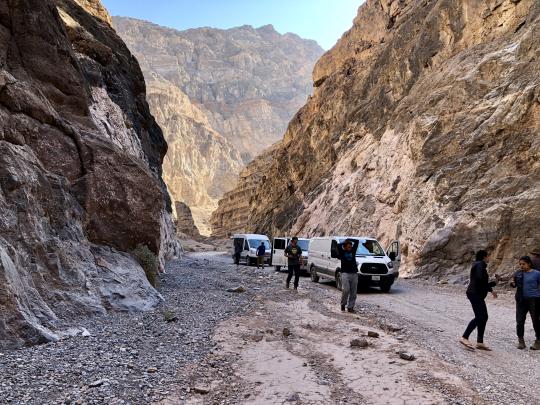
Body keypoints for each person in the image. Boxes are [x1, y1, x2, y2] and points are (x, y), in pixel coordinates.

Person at [460, 250, 498, 351]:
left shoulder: (478, 264)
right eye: (488, 256)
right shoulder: (480, 264)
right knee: (480, 316)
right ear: (484, 257)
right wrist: (491, 285)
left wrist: (491, 288)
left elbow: (481, 281)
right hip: (475, 293)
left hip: (476, 293)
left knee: (483, 317)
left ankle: (480, 342)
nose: (489, 258)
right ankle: (464, 337)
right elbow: (481, 279)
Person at [510, 256, 540, 350]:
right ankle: (521, 341)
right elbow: (513, 284)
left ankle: (538, 341)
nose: (521, 266)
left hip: (534, 300)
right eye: (520, 264)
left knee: (536, 321)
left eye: (523, 264)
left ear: (529, 263)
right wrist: (512, 283)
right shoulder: (518, 273)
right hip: (521, 300)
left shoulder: (537, 273)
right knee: (519, 321)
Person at [337, 238, 360, 313]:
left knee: (353, 292)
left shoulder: (353, 251)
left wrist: (349, 239)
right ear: (345, 246)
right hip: (345, 273)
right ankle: (343, 304)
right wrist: (344, 242)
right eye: (348, 246)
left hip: (354, 273)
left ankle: (350, 307)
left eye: (351, 246)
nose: (350, 247)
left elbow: (357, 241)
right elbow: (338, 245)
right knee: (346, 290)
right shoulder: (342, 252)